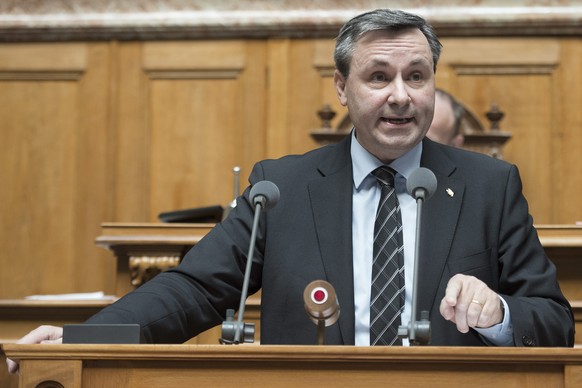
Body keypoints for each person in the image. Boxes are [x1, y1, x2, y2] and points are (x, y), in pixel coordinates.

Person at [7, 8, 574, 374]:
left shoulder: (490, 185)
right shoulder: (282, 186)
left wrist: (498, 312)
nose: (401, 95)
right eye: (379, 77)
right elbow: (193, 291)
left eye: (417, 76)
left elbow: (553, 321)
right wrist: (83, 339)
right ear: (342, 88)